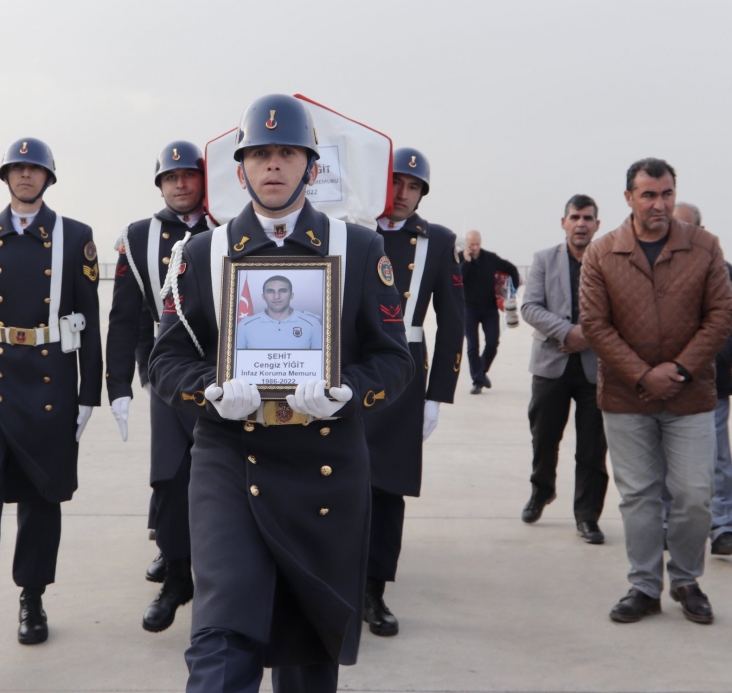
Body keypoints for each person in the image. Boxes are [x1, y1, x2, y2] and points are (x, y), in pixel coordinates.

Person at [148, 94, 414, 692]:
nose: (273, 164)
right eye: (259, 153)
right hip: (230, 457)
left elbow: (394, 360)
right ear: (241, 169)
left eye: (288, 153)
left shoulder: (358, 248)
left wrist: (347, 392)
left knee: (307, 650)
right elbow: (166, 358)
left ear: (311, 168)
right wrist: (210, 391)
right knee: (221, 637)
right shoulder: (201, 253)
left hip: (324, 462)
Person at [0, 137, 102, 644]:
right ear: (6, 176)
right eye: (17, 168)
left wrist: (90, 393)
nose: (25, 175)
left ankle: (32, 600)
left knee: (41, 494)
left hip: (51, 377)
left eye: (34, 169)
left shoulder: (75, 237)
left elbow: (90, 320)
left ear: (48, 177)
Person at [580, 158, 732, 625]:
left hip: (690, 396)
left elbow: (722, 315)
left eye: (667, 194)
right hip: (626, 398)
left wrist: (679, 369)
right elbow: (595, 324)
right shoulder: (602, 253)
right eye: (649, 195)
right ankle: (645, 586)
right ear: (629, 198)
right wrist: (643, 375)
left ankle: (686, 580)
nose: (660, 204)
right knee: (639, 496)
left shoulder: (705, 246)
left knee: (694, 494)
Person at [106, 140, 210, 632]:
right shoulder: (137, 237)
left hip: (223, 368)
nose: (181, 184)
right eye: (171, 177)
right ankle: (176, 576)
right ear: (160, 185)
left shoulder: (230, 225)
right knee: (170, 475)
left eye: (189, 175)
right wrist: (119, 384)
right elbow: (124, 316)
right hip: (168, 371)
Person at [363, 147, 464, 636]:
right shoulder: (351, 230)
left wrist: (437, 394)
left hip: (404, 374)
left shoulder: (438, 241)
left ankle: (374, 590)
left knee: (388, 486)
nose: (402, 193)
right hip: (351, 368)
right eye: (395, 182)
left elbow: (454, 321)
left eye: (413, 186)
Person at [519, 195, 609, 543]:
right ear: (564, 222)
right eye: (575, 217)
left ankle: (587, 516)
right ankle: (541, 491)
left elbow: (621, 310)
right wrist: (567, 332)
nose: (581, 223)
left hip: (596, 369)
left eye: (588, 218)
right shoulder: (544, 259)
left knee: (592, 448)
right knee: (544, 438)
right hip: (550, 365)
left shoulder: (610, 260)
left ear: (597, 224)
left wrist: (586, 337)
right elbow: (530, 307)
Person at [673, 202, 732, 556]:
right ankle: (666, 524)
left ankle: (722, 528)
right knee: (665, 459)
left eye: (687, 227)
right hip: (666, 384)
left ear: (701, 231)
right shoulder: (652, 270)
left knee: (717, 459)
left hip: (711, 384)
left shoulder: (723, 270)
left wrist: (714, 360)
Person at [461, 230, 519, 393]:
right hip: (468, 309)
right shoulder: (459, 258)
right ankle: (477, 382)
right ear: (466, 244)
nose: (475, 247)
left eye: (477, 244)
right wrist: (466, 262)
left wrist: (511, 292)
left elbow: (512, 269)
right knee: (473, 346)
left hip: (489, 308)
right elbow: (456, 278)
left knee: (493, 342)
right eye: (471, 244)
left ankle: (481, 371)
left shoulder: (490, 258)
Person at [236, 275, 323, 349]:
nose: (276, 297)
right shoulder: (245, 325)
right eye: (270, 291)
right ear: (263, 296)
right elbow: (237, 361)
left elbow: (321, 361)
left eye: (282, 291)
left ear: (291, 295)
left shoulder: (312, 324)